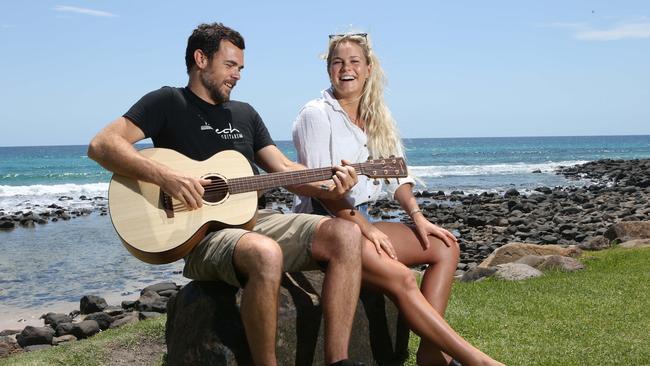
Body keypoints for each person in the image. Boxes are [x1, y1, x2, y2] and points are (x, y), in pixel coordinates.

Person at [88, 23, 366, 366]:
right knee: (265, 253)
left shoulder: (244, 114)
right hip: (199, 235)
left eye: (241, 68)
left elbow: (282, 169)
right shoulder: (167, 102)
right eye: (230, 65)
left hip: (253, 221)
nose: (237, 75)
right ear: (201, 59)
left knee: (347, 234)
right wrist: (168, 178)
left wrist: (329, 183)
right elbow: (102, 145)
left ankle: (339, 361)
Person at [292, 32, 504, 366]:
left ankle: (432, 354)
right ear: (328, 69)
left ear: (368, 69)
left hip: (362, 219)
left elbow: (398, 175)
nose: (345, 69)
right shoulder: (317, 115)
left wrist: (418, 216)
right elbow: (322, 191)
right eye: (337, 62)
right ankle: (476, 360)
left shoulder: (376, 114)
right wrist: (367, 228)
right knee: (402, 277)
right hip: (327, 226)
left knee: (445, 245)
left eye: (353, 62)